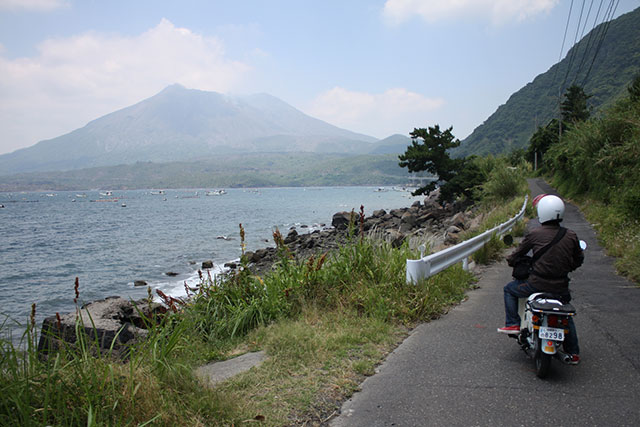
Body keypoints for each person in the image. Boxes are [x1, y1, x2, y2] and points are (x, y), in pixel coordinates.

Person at [498, 194, 584, 364]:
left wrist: (511, 260)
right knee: (565, 315)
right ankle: (573, 352)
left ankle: (513, 323)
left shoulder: (535, 234)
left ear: (542, 212)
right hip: (560, 288)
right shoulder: (571, 235)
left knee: (509, 289)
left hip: (535, 285)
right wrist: (568, 267)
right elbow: (578, 260)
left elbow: (518, 253)